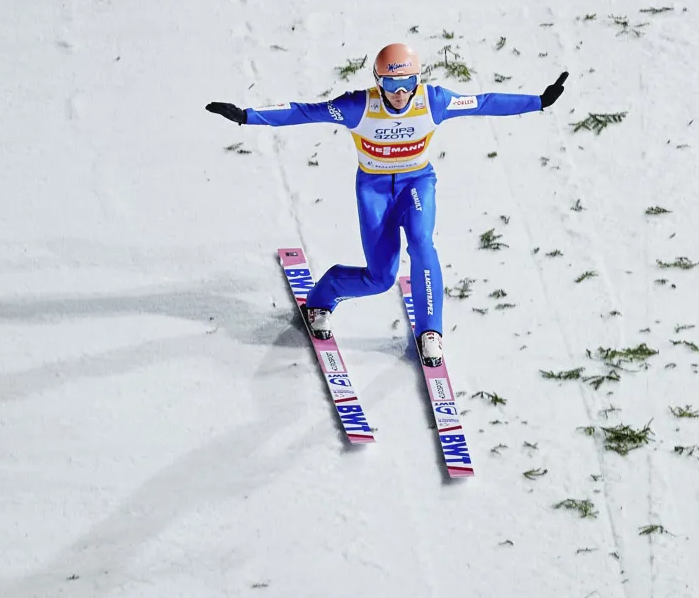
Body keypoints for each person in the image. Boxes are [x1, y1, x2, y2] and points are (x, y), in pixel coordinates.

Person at [207, 42, 568, 367]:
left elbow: (483, 102)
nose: (400, 94)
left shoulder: (434, 101)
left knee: (422, 244)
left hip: (416, 184)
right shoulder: (357, 107)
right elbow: (304, 111)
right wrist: (247, 115)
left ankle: (431, 332)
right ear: (377, 81)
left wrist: (539, 101)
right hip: (375, 191)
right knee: (381, 278)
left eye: (408, 83)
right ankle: (323, 296)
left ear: (418, 79)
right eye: (391, 85)